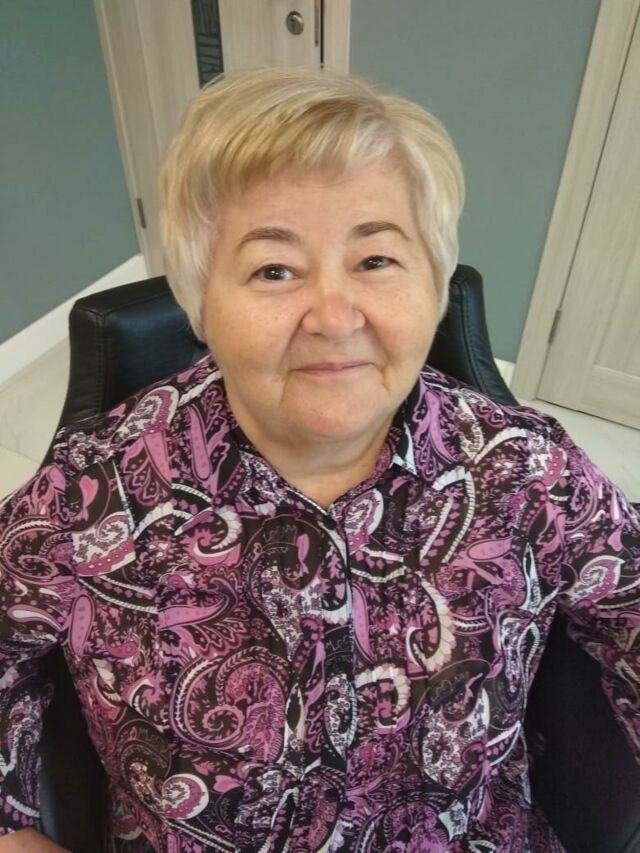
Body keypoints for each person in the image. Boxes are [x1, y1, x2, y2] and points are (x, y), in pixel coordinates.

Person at [0, 65, 638, 853]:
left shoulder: (527, 471)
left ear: (434, 287)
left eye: (376, 261)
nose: (334, 317)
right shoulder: (91, 492)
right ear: (202, 301)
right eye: (274, 269)